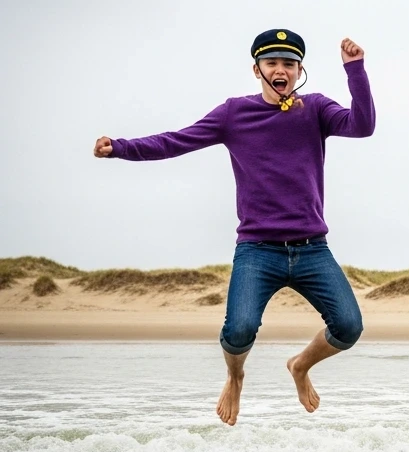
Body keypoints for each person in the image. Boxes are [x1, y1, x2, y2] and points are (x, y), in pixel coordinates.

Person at [93, 29, 376, 425]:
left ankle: (300, 366)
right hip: (258, 250)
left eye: (290, 64)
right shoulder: (233, 114)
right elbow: (177, 141)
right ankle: (235, 375)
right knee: (239, 330)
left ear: (299, 71)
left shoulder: (314, 109)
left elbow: (362, 125)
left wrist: (355, 71)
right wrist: (121, 147)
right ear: (257, 69)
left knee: (348, 327)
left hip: (312, 248)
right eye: (273, 63)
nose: (282, 70)